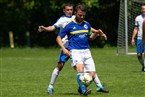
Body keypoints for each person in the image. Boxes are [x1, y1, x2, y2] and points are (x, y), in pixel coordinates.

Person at [38, 3, 108, 94]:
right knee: (61, 66)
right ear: (64, 10)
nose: (69, 11)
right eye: (68, 10)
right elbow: (53, 28)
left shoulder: (79, 17)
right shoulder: (63, 20)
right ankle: (50, 86)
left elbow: (88, 29)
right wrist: (45, 28)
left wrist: (99, 33)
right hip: (67, 47)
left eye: (71, 9)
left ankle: (94, 86)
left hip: (79, 48)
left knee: (85, 71)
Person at [131, 4, 145, 72]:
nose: (144, 10)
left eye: (144, 9)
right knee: (139, 55)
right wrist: (133, 38)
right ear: (141, 9)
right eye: (142, 9)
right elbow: (136, 28)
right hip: (140, 38)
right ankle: (143, 65)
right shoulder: (138, 18)